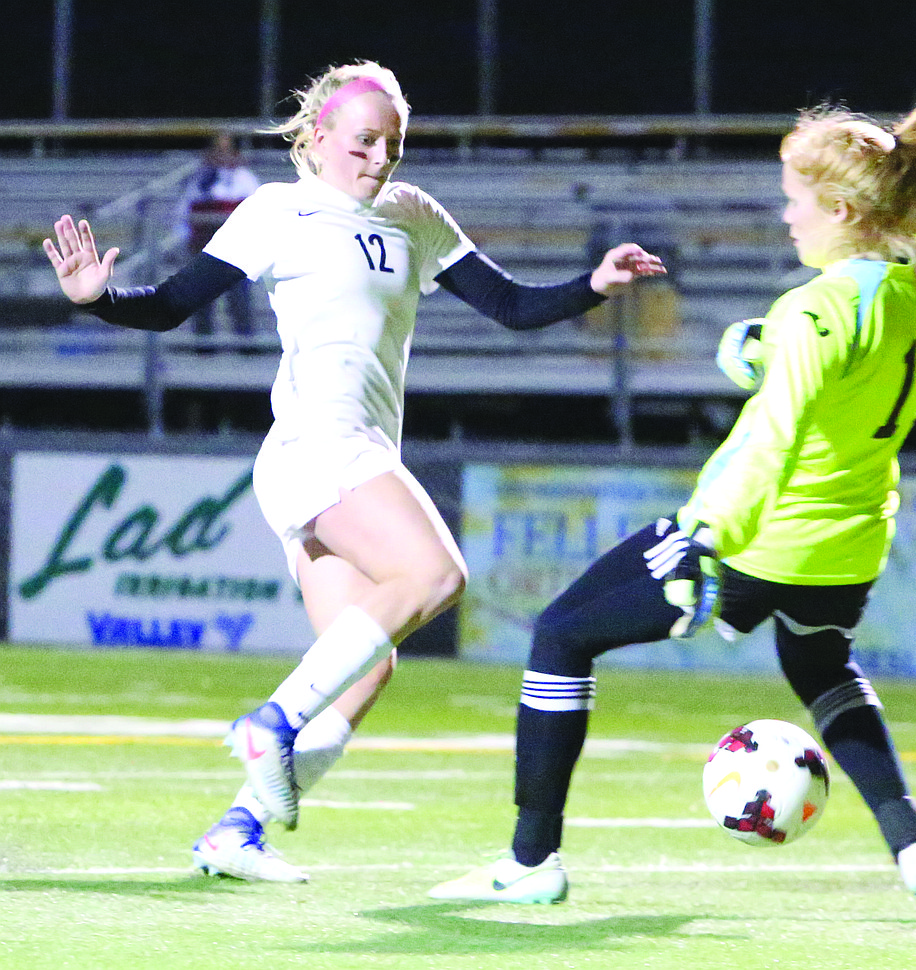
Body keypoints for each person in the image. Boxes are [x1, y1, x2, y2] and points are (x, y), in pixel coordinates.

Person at [429, 98, 916, 918]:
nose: (786, 212)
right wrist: (760, 345)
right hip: (852, 545)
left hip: (763, 541)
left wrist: (703, 536)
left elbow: (773, 437)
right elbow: (841, 372)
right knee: (821, 666)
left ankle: (529, 862)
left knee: (560, 635)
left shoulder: (815, 311)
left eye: (796, 197)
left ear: (839, 209)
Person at [42, 60, 665, 884]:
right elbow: (170, 304)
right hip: (319, 445)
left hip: (350, 452)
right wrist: (97, 299)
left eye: (393, 145)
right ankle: (272, 722)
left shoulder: (412, 213)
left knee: (366, 664)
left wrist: (592, 285)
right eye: (366, 141)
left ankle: (236, 831)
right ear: (319, 137)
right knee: (437, 574)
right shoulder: (276, 210)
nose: (379, 159)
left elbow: (511, 307)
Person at [176, 131, 261, 340]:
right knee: (203, 297)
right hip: (205, 249)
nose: (222, 155)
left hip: (236, 249)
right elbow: (183, 213)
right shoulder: (198, 180)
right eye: (217, 150)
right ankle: (204, 344)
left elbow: (259, 212)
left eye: (226, 150)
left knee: (239, 296)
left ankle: (246, 342)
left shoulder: (245, 178)